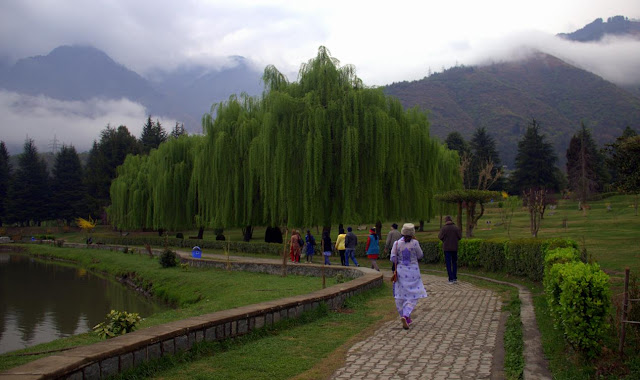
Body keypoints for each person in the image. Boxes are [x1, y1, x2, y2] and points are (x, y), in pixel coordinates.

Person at [390, 223, 427, 329]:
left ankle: (404, 316)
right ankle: (406, 315)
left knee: (400, 295)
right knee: (413, 295)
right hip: (413, 273)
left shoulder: (396, 244)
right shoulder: (415, 243)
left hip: (401, 272)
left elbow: (393, 258)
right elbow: (420, 255)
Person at [438, 215, 462, 284]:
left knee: (448, 263)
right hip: (455, 247)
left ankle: (450, 278)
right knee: (454, 262)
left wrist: (444, 240)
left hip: (447, 248)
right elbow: (460, 237)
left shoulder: (444, 228)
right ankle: (454, 277)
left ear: (445, 221)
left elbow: (440, 237)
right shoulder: (456, 228)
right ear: (451, 220)